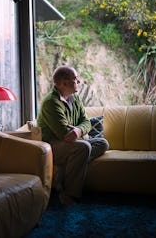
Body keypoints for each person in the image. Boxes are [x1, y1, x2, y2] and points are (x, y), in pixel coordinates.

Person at [37, 65, 109, 205]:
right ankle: (69, 194)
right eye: (75, 79)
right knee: (83, 147)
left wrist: (78, 130)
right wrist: (81, 133)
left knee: (102, 143)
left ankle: (66, 168)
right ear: (64, 83)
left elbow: (86, 122)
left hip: (70, 143)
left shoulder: (74, 97)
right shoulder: (51, 103)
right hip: (51, 145)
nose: (79, 82)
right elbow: (64, 134)